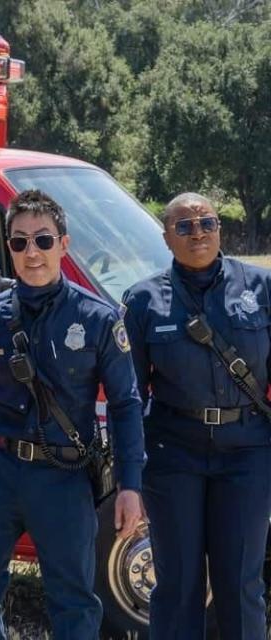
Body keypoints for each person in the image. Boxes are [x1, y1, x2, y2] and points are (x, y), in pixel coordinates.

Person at [0, 189, 145, 640]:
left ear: (64, 245)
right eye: (19, 242)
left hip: (64, 477)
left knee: (73, 602)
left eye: (43, 240)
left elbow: (125, 405)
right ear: (8, 248)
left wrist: (131, 486)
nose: (31, 252)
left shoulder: (97, 318)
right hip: (0, 472)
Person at [122, 193, 271, 639]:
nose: (198, 233)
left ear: (220, 229)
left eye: (206, 222)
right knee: (178, 583)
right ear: (167, 238)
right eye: (184, 227)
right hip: (173, 454)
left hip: (247, 451)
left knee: (241, 583)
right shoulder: (143, 302)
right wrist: (129, 472)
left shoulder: (261, 288)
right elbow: (128, 397)